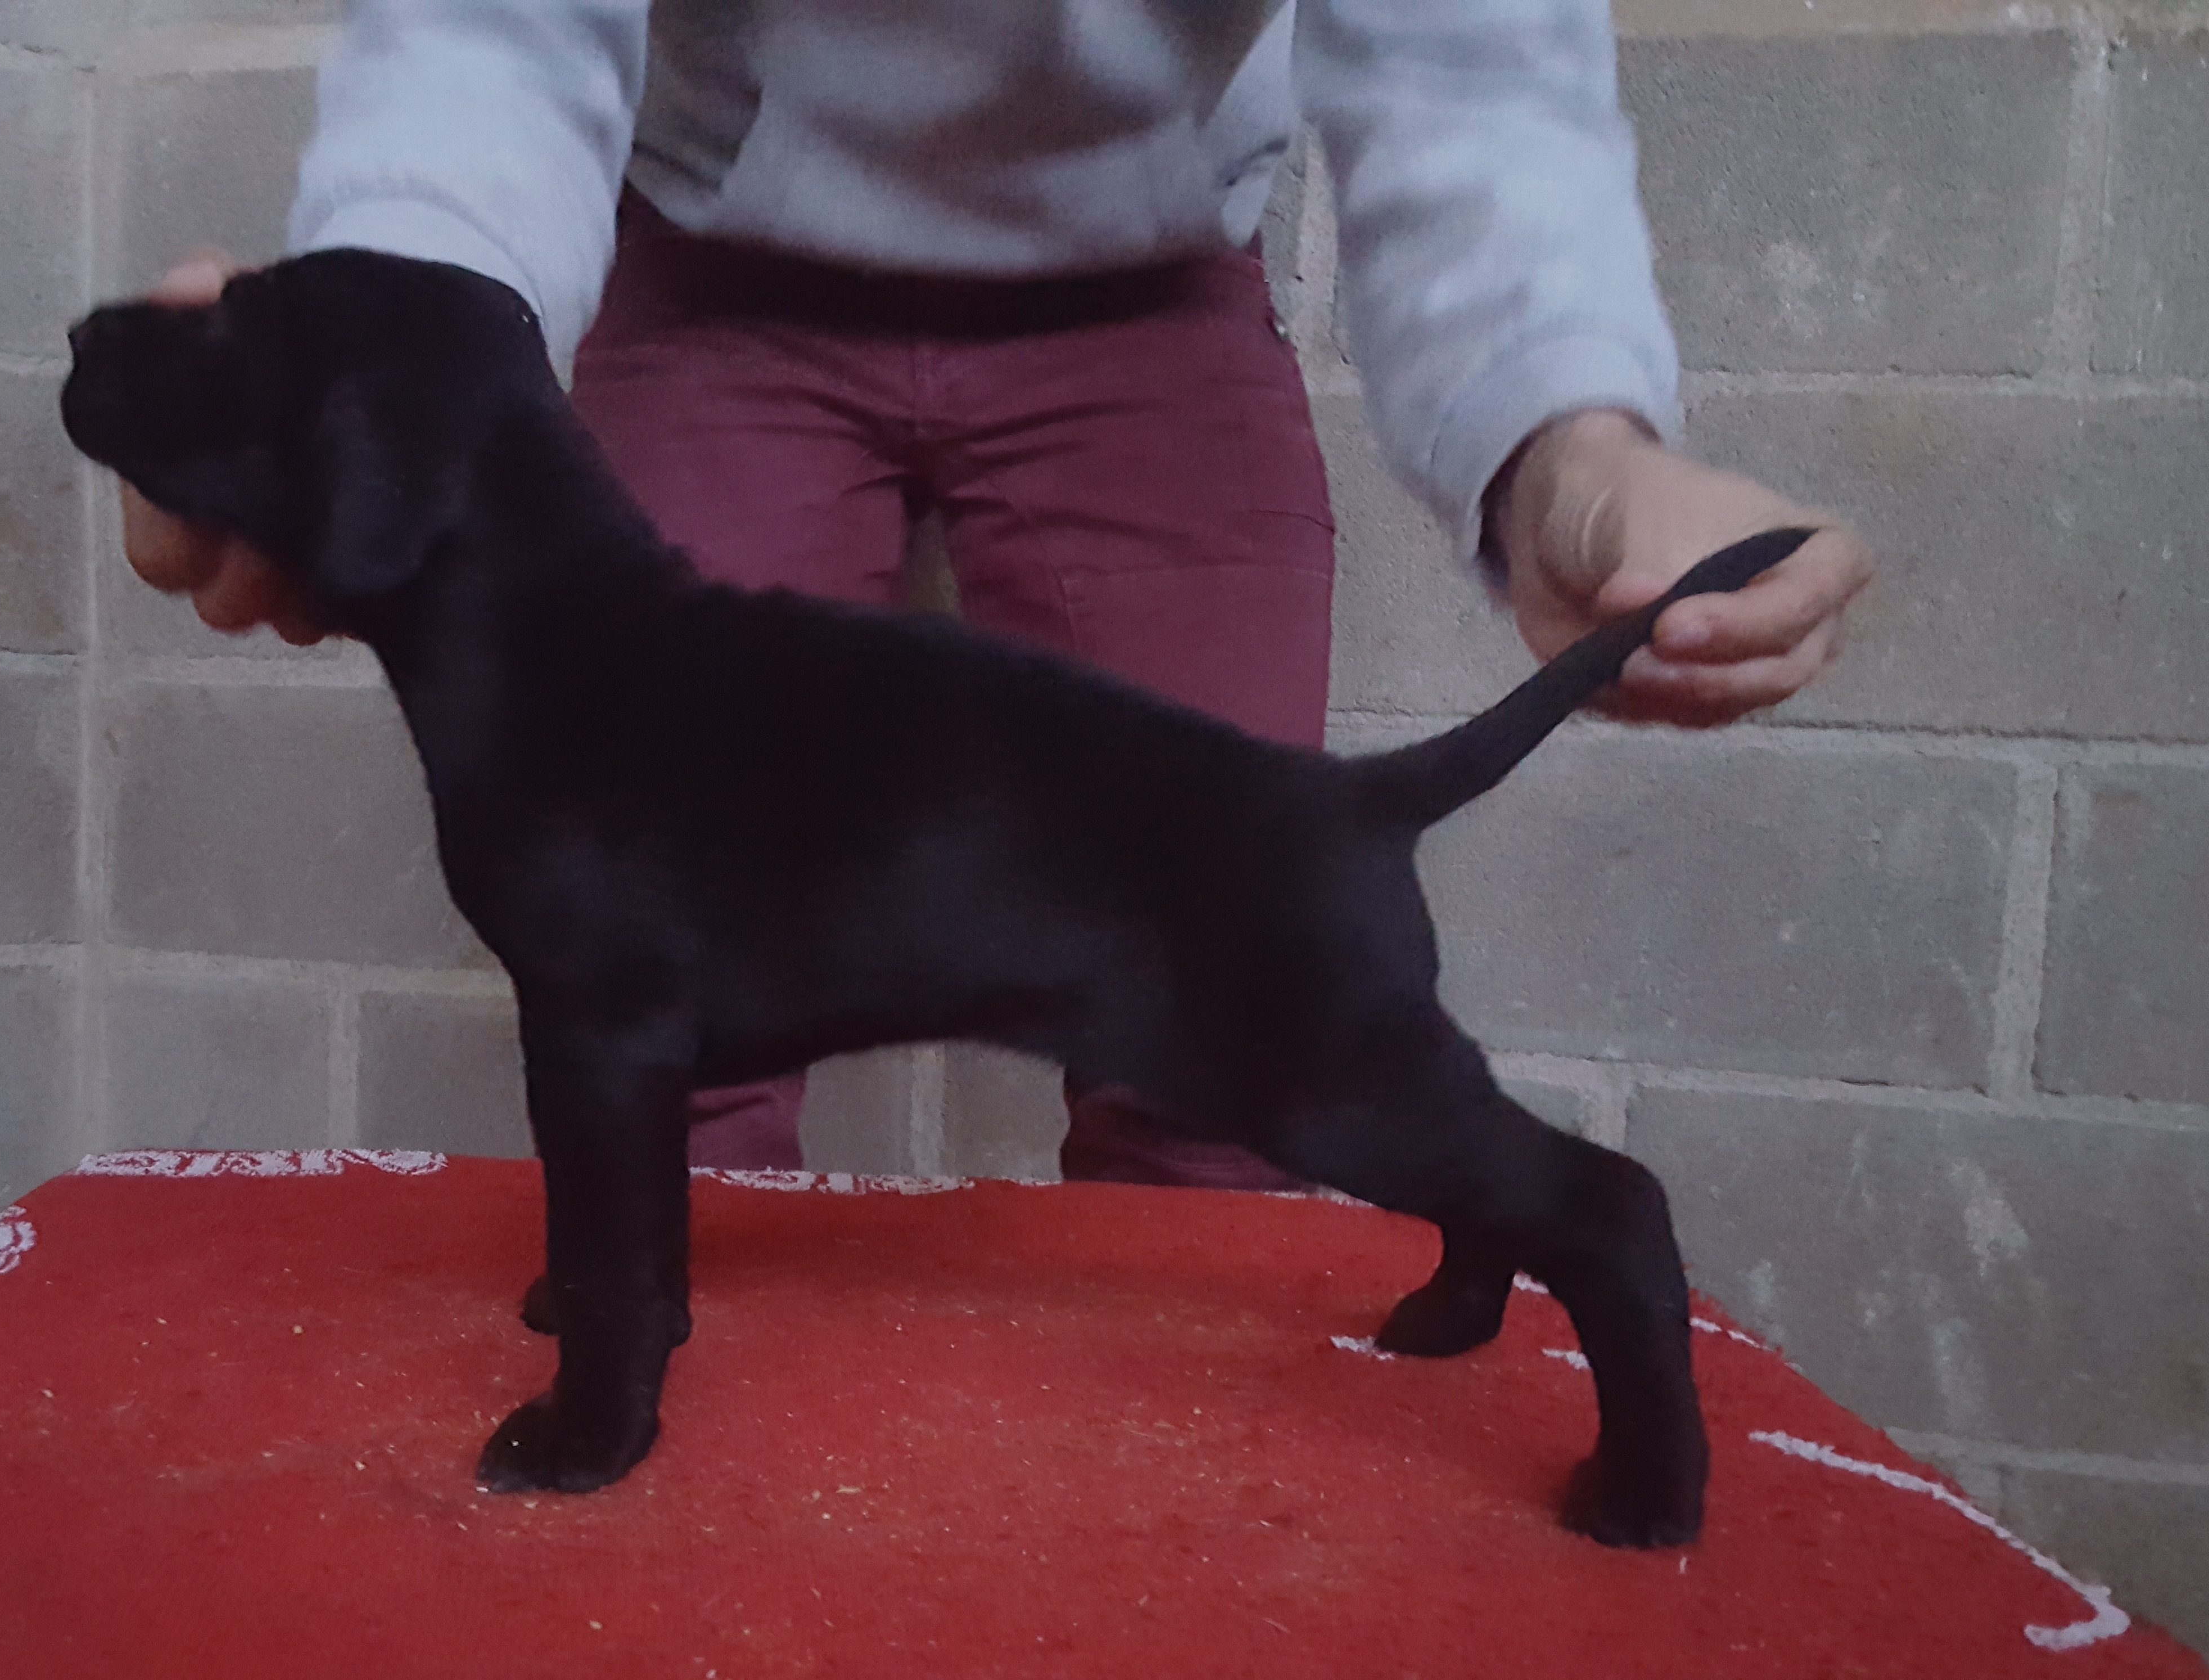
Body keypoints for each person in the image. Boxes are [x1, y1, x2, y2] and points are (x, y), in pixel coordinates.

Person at [120, 0, 1874, 1190]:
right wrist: (393, 347)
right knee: (651, 1040)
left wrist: (1567, 434)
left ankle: (1205, 1544)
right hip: (711, 271)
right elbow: (492, 32)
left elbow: (1466, 61)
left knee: (1238, 1043)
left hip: (1147, 291)